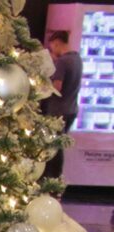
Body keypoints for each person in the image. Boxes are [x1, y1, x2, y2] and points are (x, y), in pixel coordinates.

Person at [45, 30, 82, 183]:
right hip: (71, 109)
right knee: (59, 144)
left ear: (57, 43)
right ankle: (56, 180)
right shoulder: (77, 59)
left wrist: (43, 85)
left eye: (52, 47)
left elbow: (57, 87)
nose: (52, 50)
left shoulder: (62, 62)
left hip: (58, 111)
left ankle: (53, 179)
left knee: (54, 147)